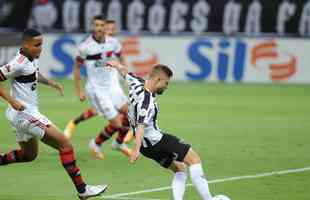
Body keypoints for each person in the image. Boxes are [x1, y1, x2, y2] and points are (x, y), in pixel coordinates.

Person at [0, 29, 107, 200]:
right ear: (25, 45)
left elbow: (33, 73)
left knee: (29, 156)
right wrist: (11, 101)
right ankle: (83, 189)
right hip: (25, 114)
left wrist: (50, 82)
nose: (40, 48)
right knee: (65, 144)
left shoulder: (30, 58)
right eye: (37, 45)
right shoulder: (18, 62)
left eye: (41, 44)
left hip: (19, 115)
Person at [107, 60, 214, 200]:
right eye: (166, 83)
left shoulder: (136, 83)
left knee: (180, 168)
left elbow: (125, 73)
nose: (166, 86)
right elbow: (140, 125)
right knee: (194, 159)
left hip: (148, 148)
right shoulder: (146, 101)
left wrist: (116, 65)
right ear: (158, 79)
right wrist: (136, 149)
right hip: (156, 141)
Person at [68, 15, 131, 159]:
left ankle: (119, 143)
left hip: (111, 86)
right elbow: (77, 68)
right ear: (92, 27)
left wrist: (126, 76)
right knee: (116, 123)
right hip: (97, 90)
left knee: (130, 113)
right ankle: (95, 144)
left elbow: (121, 58)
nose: (99, 28)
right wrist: (79, 90)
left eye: (101, 25)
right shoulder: (85, 47)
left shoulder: (113, 43)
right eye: (96, 25)